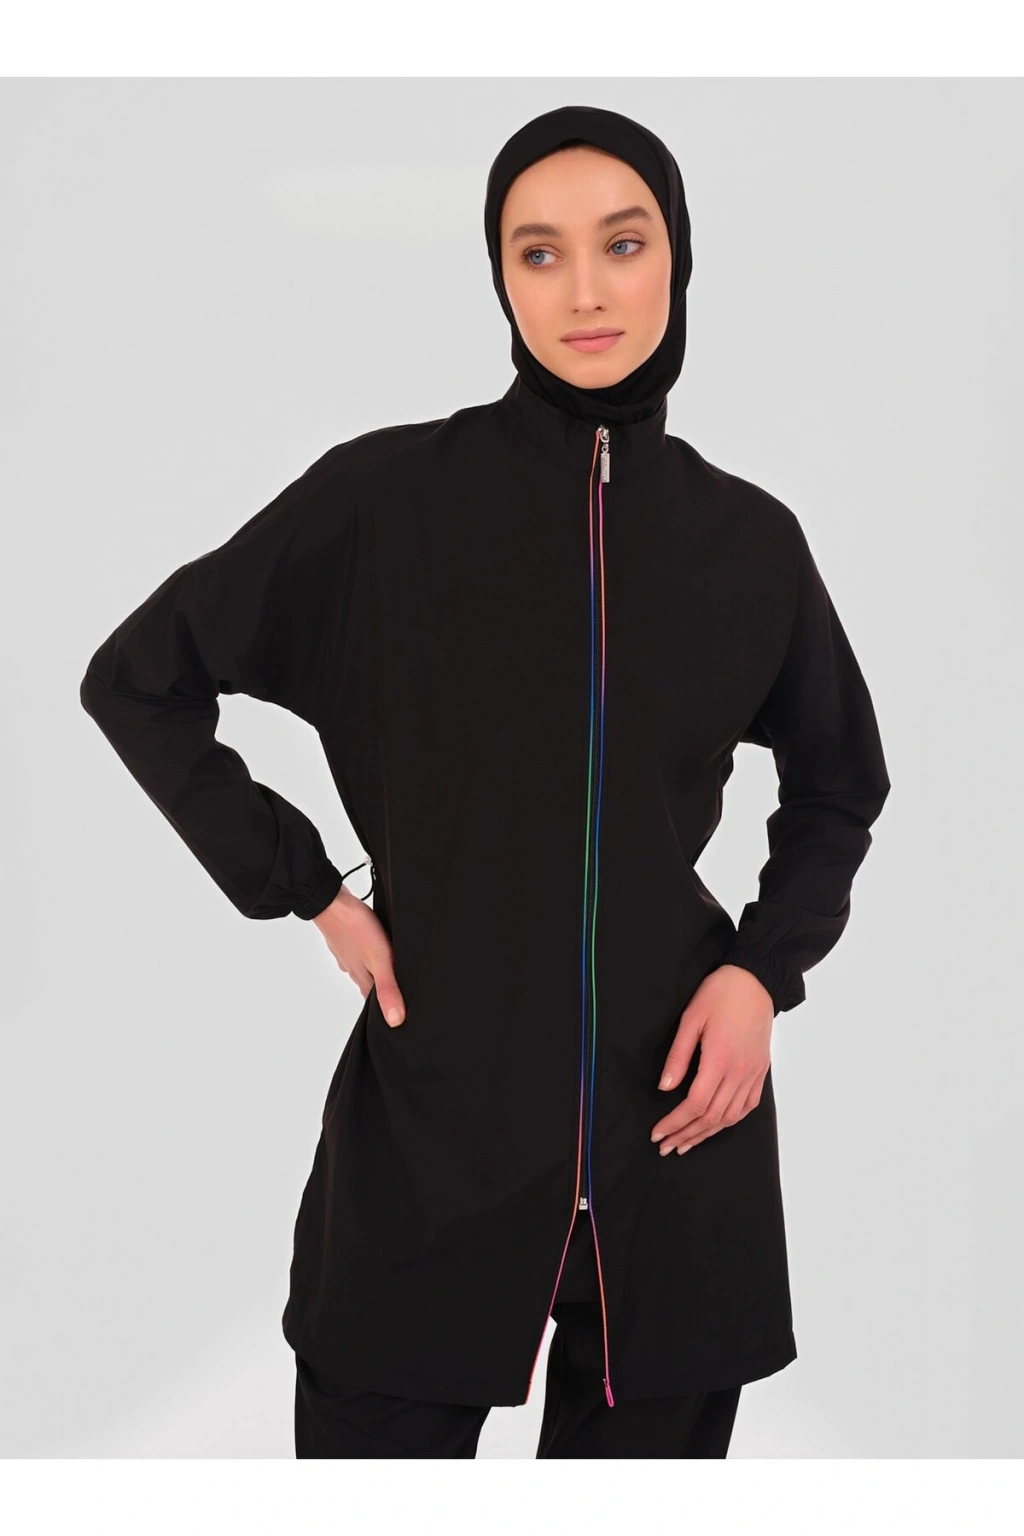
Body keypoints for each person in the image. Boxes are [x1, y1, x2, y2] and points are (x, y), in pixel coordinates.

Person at [79, 104, 891, 1458]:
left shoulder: (748, 542)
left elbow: (839, 782)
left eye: (622, 244)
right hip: (432, 1138)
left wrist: (760, 975)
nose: (584, 292)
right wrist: (306, 887)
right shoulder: (384, 502)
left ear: (678, 260)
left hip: (677, 1141)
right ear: (502, 278)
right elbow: (139, 679)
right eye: (539, 252)